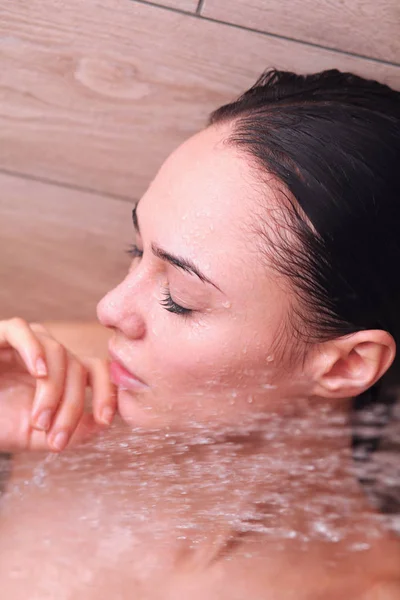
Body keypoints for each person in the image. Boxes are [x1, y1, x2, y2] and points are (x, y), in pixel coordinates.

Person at [0, 68, 399, 599]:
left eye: (180, 299)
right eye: (136, 251)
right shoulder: (40, 380)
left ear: (346, 364)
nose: (110, 308)